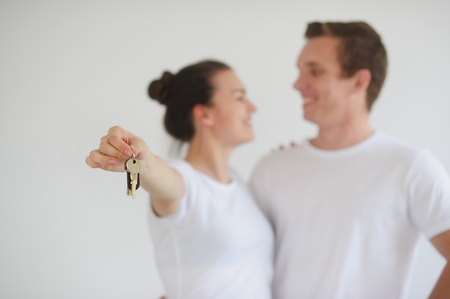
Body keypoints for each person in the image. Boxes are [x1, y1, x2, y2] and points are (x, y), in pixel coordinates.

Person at [250, 22, 450, 299]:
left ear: (359, 81)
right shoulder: (272, 168)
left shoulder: (411, 168)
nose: (298, 84)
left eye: (315, 71)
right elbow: (236, 256)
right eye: (299, 70)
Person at [85, 60, 274, 299]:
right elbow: (168, 183)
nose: (252, 108)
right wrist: (144, 161)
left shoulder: (239, 183)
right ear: (205, 114)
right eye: (239, 97)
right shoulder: (184, 178)